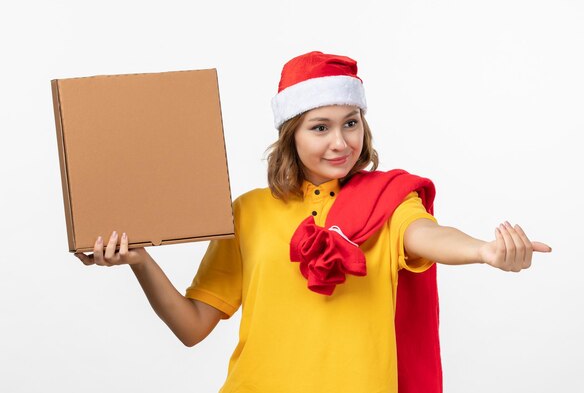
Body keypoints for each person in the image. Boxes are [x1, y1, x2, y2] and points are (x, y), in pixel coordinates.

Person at [74, 51, 552, 393]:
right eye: (319, 127)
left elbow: (426, 234)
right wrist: (140, 260)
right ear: (291, 135)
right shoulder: (249, 211)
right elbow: (193, 326)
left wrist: (483, 251)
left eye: (351, 122)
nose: (340, 142)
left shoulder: (389, 200)